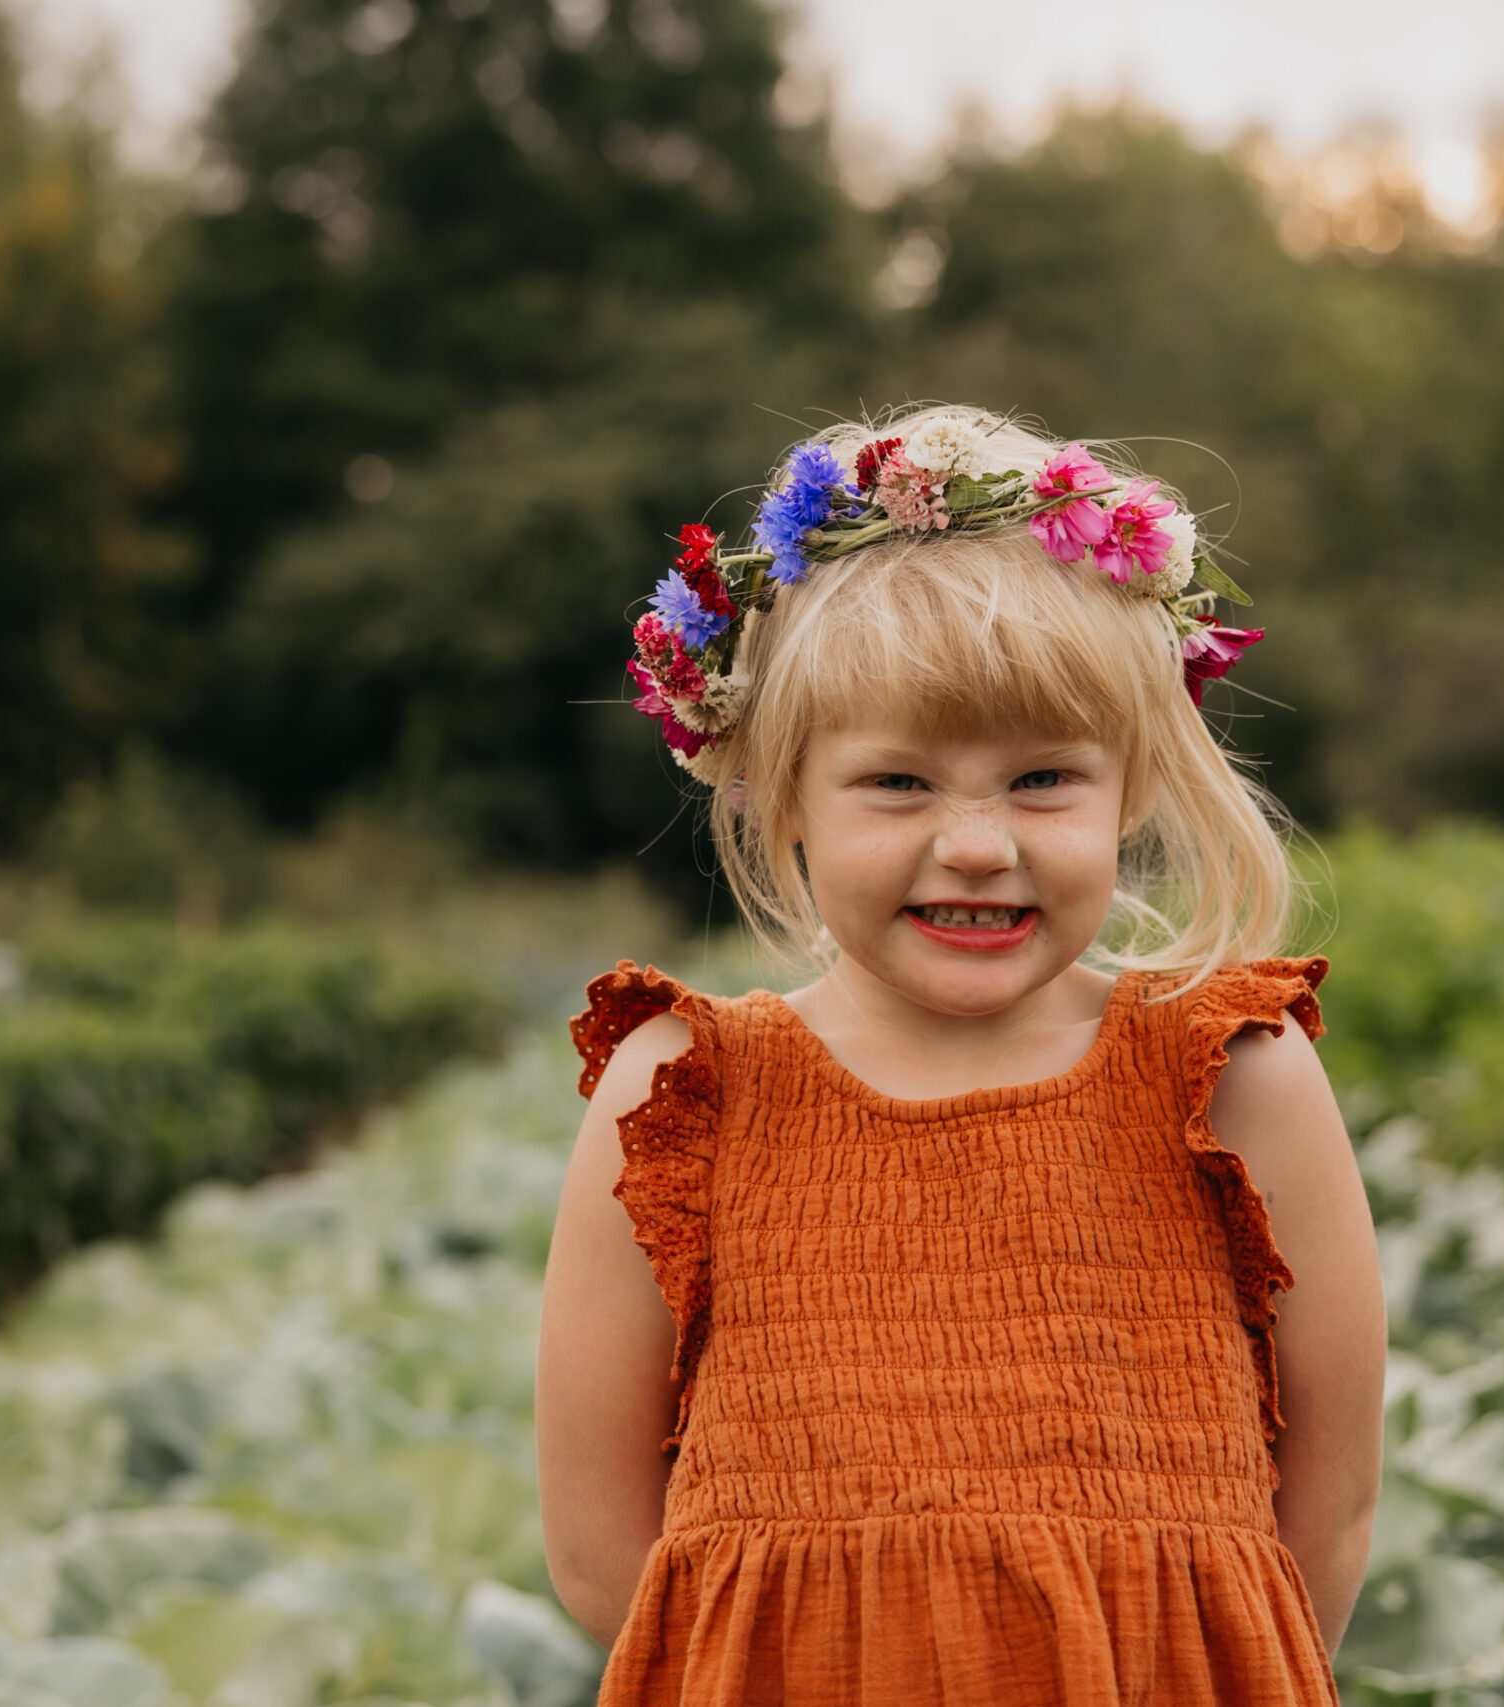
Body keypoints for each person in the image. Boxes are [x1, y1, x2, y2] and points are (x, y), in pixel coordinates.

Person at [537, 406, 1387, 1706]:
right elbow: (605, 1555)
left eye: (1044, 778)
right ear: (781, 790)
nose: (980, 843)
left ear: (1134, 786)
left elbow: (1323, 1524)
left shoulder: (1236, 1076)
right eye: (900, 785)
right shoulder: (684, 1090)